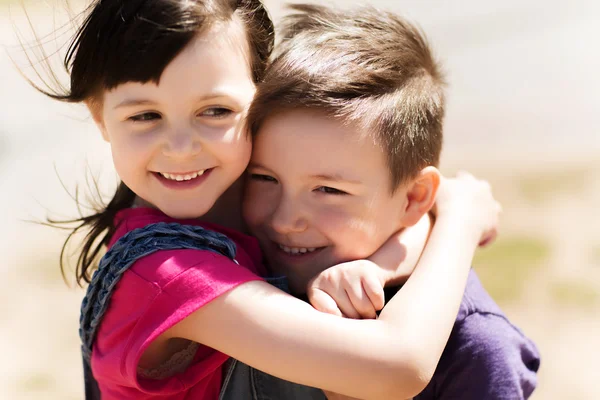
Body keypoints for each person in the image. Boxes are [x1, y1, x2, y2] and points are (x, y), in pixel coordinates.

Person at [27, 1, 500, 399]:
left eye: (215, 110)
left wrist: (379, 264)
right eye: (146, 115)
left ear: (262, 97)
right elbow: (399, 366)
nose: (181, 147)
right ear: (99, 117)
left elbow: (399, 210)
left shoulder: (249, 201)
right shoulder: (166, 275)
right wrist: (459, 220)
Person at [241, 4, 540, 399]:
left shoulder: (474, 346)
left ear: (415, 197)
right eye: (264, 178)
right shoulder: (242, 260)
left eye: (328, 190)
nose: (284, 220)